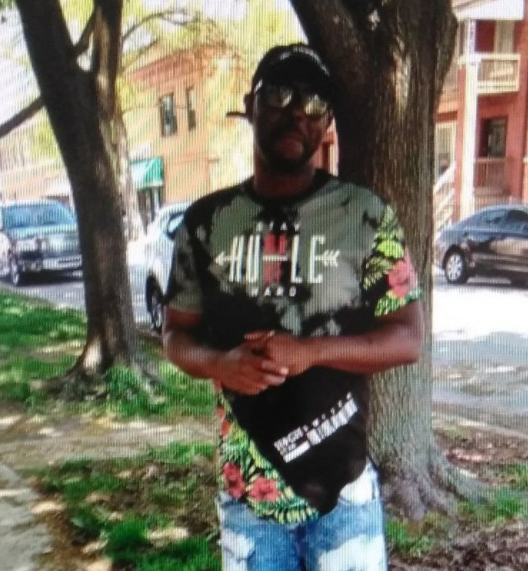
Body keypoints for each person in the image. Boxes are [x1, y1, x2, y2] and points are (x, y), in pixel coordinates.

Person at [162, 43, 424, 571]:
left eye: (314, 102)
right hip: (249, 489)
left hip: (343, 487)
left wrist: (310, 351)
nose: (297, 112)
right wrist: (220, 364)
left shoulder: (364, 216)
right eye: (279, 94)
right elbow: (175, 335)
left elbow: (408, 337)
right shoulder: (207, 223)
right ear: (251, 105)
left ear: (327, 124)